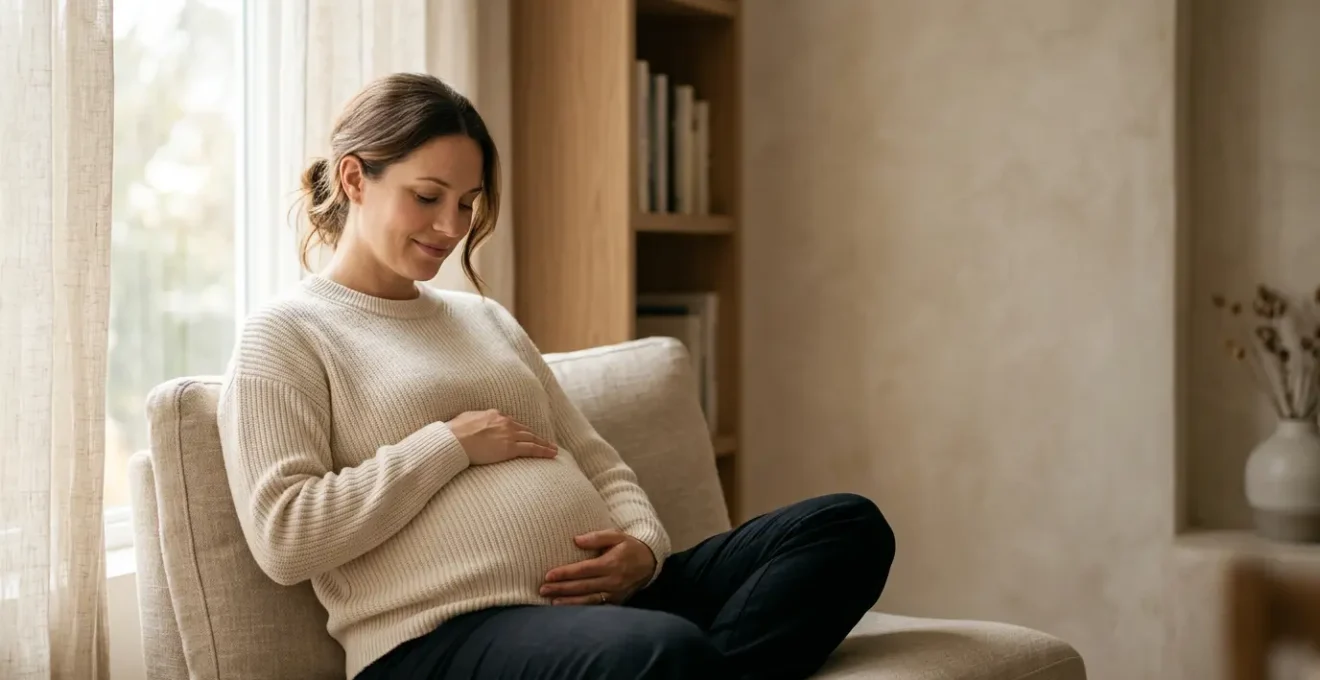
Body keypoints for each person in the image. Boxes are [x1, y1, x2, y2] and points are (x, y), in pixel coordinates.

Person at [217, 72, 896, 680]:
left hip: (610, 611)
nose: (451, 227)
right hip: (439, 638)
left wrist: (643, 547)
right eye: (427, 197)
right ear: (354, 179)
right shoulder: (286, 333)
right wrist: (449, 444)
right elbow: (285, 535)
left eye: (468, 203)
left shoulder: (484, 318)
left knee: (845, 526)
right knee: (663, 651)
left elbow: (597, 461)